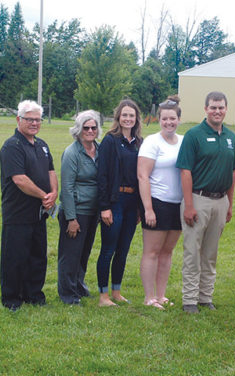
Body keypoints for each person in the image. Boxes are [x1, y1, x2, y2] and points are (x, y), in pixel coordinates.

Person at [176, 91, 235, 314]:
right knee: (193, 251)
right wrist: (189, 204)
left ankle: (205, 297)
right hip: (198, 199)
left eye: (221, 107)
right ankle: (190, 300)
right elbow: (185, 171)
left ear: (226, 109)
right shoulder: (194, 135)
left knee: (210, 253)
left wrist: (230, 204)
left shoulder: (231, 137)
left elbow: (232, 173)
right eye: (213, 107)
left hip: (220, 200)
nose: (217, 111)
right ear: (206, 109)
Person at [0, 100, 58, 311]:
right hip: (18, 212)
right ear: (18, 120)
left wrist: (53, 194)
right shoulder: (12, 146)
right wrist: (44, 195)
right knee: (15, 256)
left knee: (37, 255)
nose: (34, 123)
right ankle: (12, 298)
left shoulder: (42, 145)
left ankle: (34, 294)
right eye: (29, 119)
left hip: (39, 213)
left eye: (37, 120)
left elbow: (51, 171)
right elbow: (19, 179)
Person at [137, 95, 184, 310]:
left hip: (178, 204)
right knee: (152, 252)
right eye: (165, 119)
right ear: (159, 119)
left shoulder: (184, 141)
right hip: (157, 202)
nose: (169, 123)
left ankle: (161, 294)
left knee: (167, 252)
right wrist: (148, 208)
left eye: (172, 119)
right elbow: (142, 176)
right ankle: (149, 297)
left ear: (179, 119)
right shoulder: (151, 142)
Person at [96, 99, 143, 307]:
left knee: (123, 250)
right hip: (114, 202)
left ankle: (116, 291)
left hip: (132, 203)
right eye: (124, 115)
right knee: (108, 249)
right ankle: (103, 296)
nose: (128, 119)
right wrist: (104, 207)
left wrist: (141, 208)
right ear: (118, 117)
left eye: (131, 115)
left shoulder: (139, 143)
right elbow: (102, 175)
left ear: (136, 119)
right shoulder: (109, 141)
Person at [57, 110, 101, 305]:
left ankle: (78, 285)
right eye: (86, 127)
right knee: (70, 254)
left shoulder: (99, 150)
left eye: (93, 127)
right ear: (78, 129)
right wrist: (71, 219)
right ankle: (67, 293)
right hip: (76, 212)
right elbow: (66, 188)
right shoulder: (72, 153)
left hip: (93, 212)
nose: (90, 131)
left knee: (84, 252)